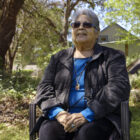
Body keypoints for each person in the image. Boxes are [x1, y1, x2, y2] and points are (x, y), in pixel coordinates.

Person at [35, 9, 130, 140]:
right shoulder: (58, 58)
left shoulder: (112, 57)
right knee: (48, 132)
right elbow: (44, 88)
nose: (80, 27)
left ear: (97, 32)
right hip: (62, 117)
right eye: (76, 24)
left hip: (100, 117)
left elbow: (118, 87)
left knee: (87, 134)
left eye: (87, 25)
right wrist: (59, 113)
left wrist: (87, 114)